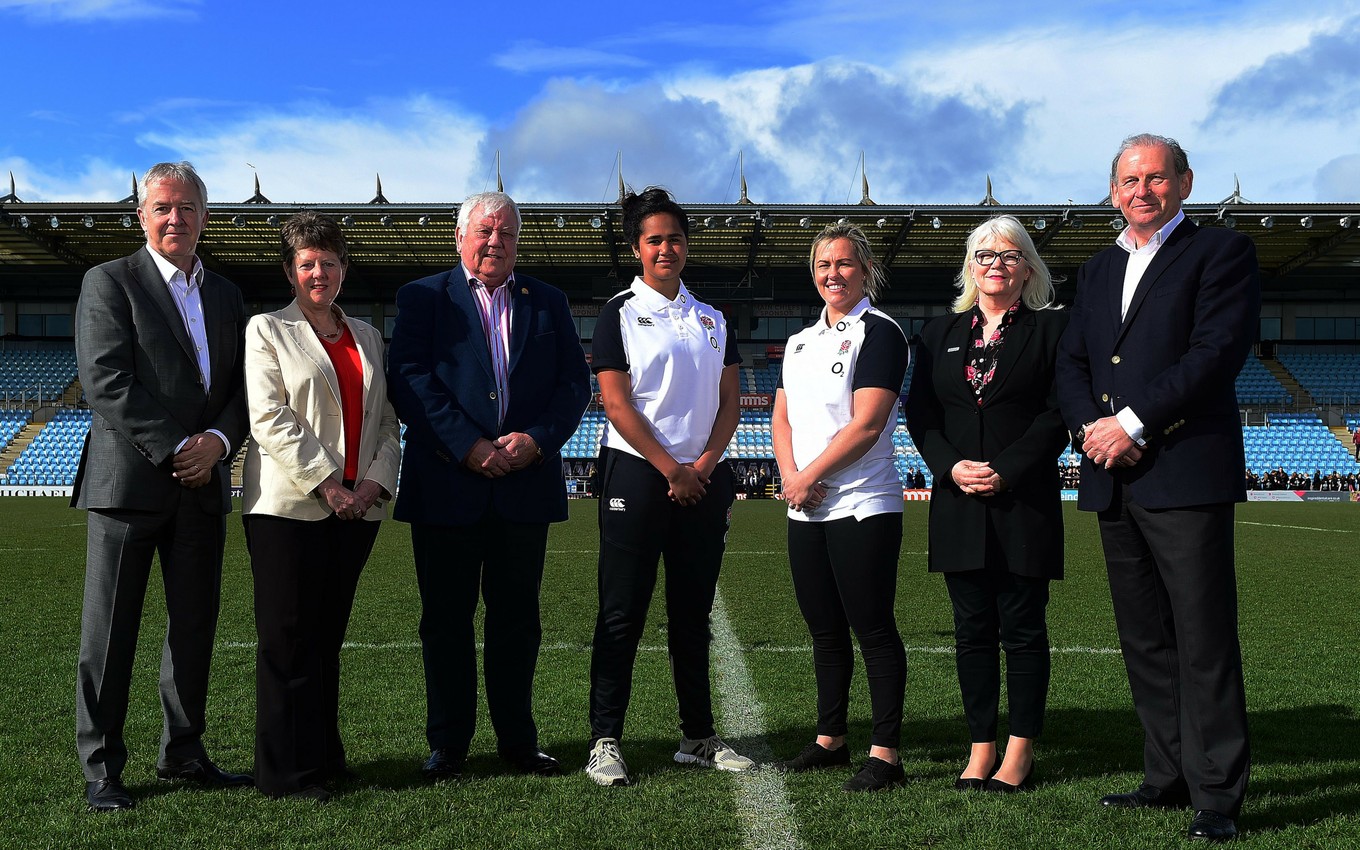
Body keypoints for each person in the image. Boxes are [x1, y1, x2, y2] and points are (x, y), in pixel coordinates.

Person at [1056, 133, 1258, 843]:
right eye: (1128, 179)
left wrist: (1132, 424)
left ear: (1184, 182)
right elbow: (1072, 361)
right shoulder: (1097, 268)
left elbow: (1216, 353)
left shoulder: (1220, 254)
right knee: (1145, 639)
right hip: (1115, 478)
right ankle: (1166, 777)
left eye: (1155, 178)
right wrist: (1091, 426)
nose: (1142, 190)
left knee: (1203, 639)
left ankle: (1217, 796)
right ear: (1114, 191)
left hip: (1182, 471)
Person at [388, 191, 591, 780]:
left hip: (523, 488)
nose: (494, 240)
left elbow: (572, 386)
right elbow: (410, 380)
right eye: (484, 230)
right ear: (459, 237)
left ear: (517, 241)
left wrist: (536, 438)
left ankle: (517, 743)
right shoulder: (423, 297)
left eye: (505, 231)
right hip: (447, 484)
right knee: (445, 622)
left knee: (517, 623)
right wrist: (468, 445)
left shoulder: (547, 301)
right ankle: (448, 746)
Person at [72, 161, 251, 812]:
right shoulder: (108, 282)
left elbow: (240, 392)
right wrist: (182, 446)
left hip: (202, 487)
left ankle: (184, 751)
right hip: (129, 485)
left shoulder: (228, 296)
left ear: (205, 215)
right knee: (110, 634)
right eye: (161, 208)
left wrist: (219, 444)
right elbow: (105, 379)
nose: (174, 218)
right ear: (141, 215)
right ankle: (102, 769)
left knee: (194, 627)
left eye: (187, 207)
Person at [585, 186, 751, 787]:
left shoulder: (713, 317)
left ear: (686, 246)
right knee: (622, 613)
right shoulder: (619, 312)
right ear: (637, 248)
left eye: (675, 238)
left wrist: (702, 466)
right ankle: (605, 740)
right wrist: (670, 469)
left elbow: (730, 400)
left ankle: (698, 738)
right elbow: (615, 401)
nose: (666, 248)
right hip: (637, 472)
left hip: (703, 479)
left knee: (691, 615)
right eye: (654, 239)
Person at [241, 211, 402, 801]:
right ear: (290, 272)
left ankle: (324, 756)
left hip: (357, 510)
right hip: (289, 508)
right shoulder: (267, 330)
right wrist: (328, 484)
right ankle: (284, 773)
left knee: (327, 636)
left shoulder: (368, 335)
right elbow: (269, 418)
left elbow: (387, 420)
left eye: (328, 263)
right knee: (288, 641)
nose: (318, 273)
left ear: (343, 269)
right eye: (307, 263)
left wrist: (373, 486)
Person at [905, 215, 1069, 794]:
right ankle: (981, 748)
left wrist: (1008, 469)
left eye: (1007, 255)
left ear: (1028, 267)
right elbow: (920, 415)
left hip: (1023, 500)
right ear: (970, 267)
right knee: (971, 629)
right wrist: (950, 466)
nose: (994, 264)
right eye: (983, 255)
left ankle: (1019, 752)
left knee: (1023, 628)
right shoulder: (935, 333)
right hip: (957, 499)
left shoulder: (1054, 330)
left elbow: (1058, 414)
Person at [771, 223, 910, 791]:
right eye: (824, 264)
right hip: (805, 505)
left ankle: (886, 754)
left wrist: (809, 475)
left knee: (872, 627)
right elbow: (781, 417)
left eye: (846, 263)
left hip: (862, 502)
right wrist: (790, 477)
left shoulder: (881, 332)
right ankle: (831, 738)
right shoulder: (801, 341)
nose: (834, 273)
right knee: (824, 629)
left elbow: (869, 423)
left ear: (865, 270)